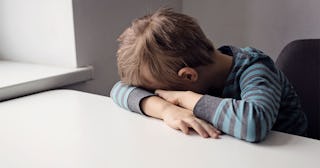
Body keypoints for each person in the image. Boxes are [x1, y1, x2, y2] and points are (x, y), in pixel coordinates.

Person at [110, 8, 307, 142]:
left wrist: (184, 98)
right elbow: (119, 89)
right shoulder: (198, 72)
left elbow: (253, 124)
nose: (161, 93)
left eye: (165, 91)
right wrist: (165, 110)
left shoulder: (256, 68)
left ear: (188, 76)